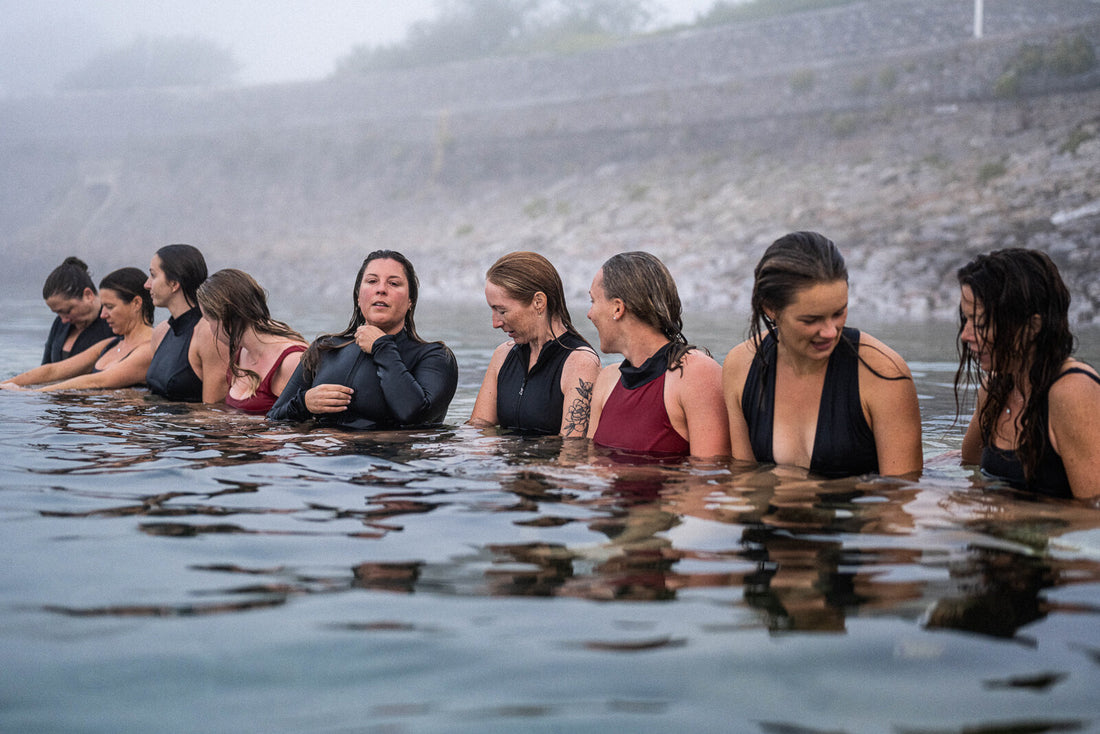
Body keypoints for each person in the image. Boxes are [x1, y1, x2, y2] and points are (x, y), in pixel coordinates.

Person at [722, 231, 922, 478]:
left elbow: (901, 495)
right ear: (770, 308)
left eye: (839, 313)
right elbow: (744, 479)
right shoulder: (740, 366)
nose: (829, 332)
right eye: (811, 320)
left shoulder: (883, 373)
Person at [956, 248, 1100, 499]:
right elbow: (966, 463)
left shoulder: (1073, 392)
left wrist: (1001, 514)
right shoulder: (995, 389)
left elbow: (1093, 515)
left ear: (1032, 327)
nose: (966, 336)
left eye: (979, 324)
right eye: (965, 320)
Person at [268, 250, 458, 429]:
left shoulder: (435, 357)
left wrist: (381, 347)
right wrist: (304, 403)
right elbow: (273, 417)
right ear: (359, 297)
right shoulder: (325, 349)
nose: (381, 289)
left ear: (411, 301)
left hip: (391, 461)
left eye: (394, 283)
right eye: (372, 281)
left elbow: (415, 417)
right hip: (321, 459)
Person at [586, 251, 730, 459]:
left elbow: (710, 479)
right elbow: (591, 470)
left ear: (618, 308)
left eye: (593, 301)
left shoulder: (697, 374)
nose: (589, 314)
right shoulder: (608, 380)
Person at [469, 251, 601, 436]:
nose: (495, 323)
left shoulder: (580, 363)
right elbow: (479, 427)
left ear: (538, 302)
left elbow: (573, 452)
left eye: (502, 311)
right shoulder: (502, 355)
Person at [2, 267, 154, 392]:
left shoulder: (149, 347)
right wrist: (6, 384)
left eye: (110, 307)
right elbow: (53, 371)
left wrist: (30, 394)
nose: (103, 315)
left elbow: (99, 381)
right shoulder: (111, 343)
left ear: (136, 303)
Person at [196, 269, 308, 414]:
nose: (210, 330)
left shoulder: (291, 360)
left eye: (208, 320)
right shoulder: (240, 353)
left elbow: (304, 425)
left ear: (224, 318)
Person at [144, 244, 229, 403]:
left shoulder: (209, 333)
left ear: (174, 284)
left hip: (190, 427)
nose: (146, 284)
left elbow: (214, 411)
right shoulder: (161, 332)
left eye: (153, 276)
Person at [40, 256, 115, 364]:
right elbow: (45, 368)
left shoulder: (113, 324)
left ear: (88, 295)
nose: (64, 320)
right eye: (58, 313)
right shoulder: (60, 324)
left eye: (68, 311)